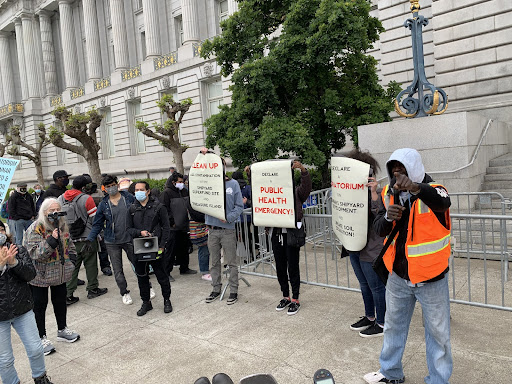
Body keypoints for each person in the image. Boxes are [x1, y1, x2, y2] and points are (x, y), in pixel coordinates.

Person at [364, 148, 452, 384]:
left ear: (413, 170)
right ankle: (390, 373)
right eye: (393, 171)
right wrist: (387, 218)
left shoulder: (435, 190)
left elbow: (443, 204)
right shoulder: (387, 193)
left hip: (431, 277)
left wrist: (414, 187)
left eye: (401, 171)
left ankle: (438, 380)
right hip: (398, 276)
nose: (396, 176)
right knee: (393, 327)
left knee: (438, 334)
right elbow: (379, 229)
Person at [24, 198, 80, 357]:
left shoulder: (63, 225)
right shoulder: (35, 228)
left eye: (57, 209)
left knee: (61, 302)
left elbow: (70, 244)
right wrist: (51, 240)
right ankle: (40, 337)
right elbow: (34, 253)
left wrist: (72, 261)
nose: (55, 213)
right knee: (39, 306)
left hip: (60, 272)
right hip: (39, 275)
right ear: (44, 212)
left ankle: (62, 329)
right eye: (51, 210)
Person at [0, 221, 55, 384]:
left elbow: (30, 274)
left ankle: (40, 377)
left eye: (1, 229)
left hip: (22, 309)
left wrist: (14, 263)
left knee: (35, 349)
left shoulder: (18, 249)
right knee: (5, 359)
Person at [343, 150, 386, 338]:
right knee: (364, 284)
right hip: (353, 244)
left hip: (371, 247)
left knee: (376, 286)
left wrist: (373, 193)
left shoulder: (377, 191)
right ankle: (369, 317)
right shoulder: (349, 190)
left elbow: (381, 216)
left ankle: (382, 322)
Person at [87, 175, 136, 305]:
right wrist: (90, 238)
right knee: (117, 269)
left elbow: (138, 212)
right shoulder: (104, 204)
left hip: (129, 238)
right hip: (112, 241)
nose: (111, 188)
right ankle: (124, 292)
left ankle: (146, 285)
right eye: (108, 187)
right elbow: (97, 224)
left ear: (117, 185)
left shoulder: (128, 198)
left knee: (137, 264)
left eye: (113, 185)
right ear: (105, 189)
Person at [58, 176, 108, 305]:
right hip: (87, 237)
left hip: (69, 239)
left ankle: (68, 294)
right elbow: (95, 220)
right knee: (91, 264)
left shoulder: (61, 198)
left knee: (73, 266)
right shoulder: (87, 198)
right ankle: (92, 289)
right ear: (84, 187)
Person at [126, 181, 173, 316]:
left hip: (156, 247)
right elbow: (128, 229)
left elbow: (166, 228)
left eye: (141, 189)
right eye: (136, 190)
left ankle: (167, 300)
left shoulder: (159, 207)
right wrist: (139, 233)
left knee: (161, 275)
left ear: (148, 191)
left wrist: (163, 245)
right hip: (139, 248)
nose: (138, 192)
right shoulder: (132, 209)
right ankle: (146, 302)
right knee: (142, 277)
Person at [271, 161, 312, 315]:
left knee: (292, 267)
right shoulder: (273, 193)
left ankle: (295, 298)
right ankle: (285, 296)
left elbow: (306, 188)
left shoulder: (296, 193)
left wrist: (303, 170)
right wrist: (250, 175)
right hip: (276, 234)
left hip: (291, 235)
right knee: (280, 267)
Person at [204, 158, 244, 305]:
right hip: (212, 230)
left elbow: (239, 206)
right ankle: (216, 288)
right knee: (214, 262)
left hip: (227, 230)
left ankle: (234, 290)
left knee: (231, 262)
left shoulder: (233, 184)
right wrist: (205, 155)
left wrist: (228, 218)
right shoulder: (207, 183)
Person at [162, 172, 197, 279]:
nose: (182, 184)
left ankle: (184, 268)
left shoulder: (185, 191)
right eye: (180, 182)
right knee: (171, 251)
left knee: (184, 248)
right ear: (173, 182)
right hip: (173, 227)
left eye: (183, 182)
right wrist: (171, 222)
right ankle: (167, 272)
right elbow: (164, 209)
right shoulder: (167, 193)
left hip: (184, 225)